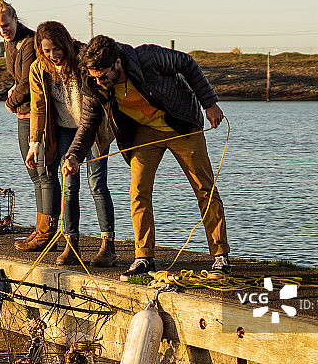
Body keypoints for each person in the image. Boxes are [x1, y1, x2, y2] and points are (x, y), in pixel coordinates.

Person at [63, 35, 231, 279]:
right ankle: (144, 258)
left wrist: (210, 103)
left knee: (204, 189)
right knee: (138, 191)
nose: (99, 82)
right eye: (94, 77)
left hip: (181, 125)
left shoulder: (147, 58)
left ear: (117, 63)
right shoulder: (94, 85)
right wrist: (74, 156)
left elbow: (188, 64)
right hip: (144, 132)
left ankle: (220, 255)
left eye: (103, 76)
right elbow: (88, 126)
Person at [24, 21, 117, 266]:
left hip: (93, 129)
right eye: (46, 50)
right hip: (65, 130)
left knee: (97, 184)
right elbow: (38, 107)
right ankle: (71, 243)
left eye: (56, 48)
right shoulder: (38, 69)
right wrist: (34, 142)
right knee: (69, 186)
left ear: (65, 43)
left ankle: (108, 245)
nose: (53, 55)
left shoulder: (82, 58)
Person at [0, 0, 59, 251]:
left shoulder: (30, 43)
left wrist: (9, 102)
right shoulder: (10, 44)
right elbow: (18, 79)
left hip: (38, 115)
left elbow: (28, 82)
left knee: (45, 173)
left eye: (5, 25)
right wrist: (13, 94)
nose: (2, 31)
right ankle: (41, 229)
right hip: (23, 115)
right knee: (34, 174)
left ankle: (47, 233)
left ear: (15, 19)